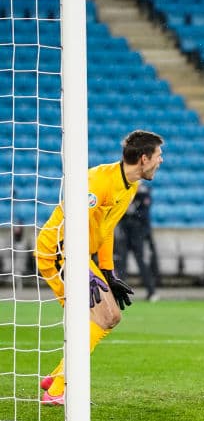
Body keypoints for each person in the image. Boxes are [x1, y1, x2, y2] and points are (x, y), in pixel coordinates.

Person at [35, 130, 164, 405]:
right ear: (144, 158)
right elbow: (73, 221)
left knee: (100, 318)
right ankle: (58, 388)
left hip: (78, 256)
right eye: (158, 156)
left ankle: (57, 379)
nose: (160, 161)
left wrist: (107, 271)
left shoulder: (130, 185)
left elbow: (106, 229)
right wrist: (75, 268)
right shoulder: (98, 182)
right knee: (105, 317)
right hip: (59, 251)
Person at [116, 181, 159, 302]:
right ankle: (119, 292)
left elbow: (144, 214)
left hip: (137, 232)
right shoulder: (125, 190)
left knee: (141, 262)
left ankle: (151, 291)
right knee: (121, 263)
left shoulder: (142, 191)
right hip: (125, 230)